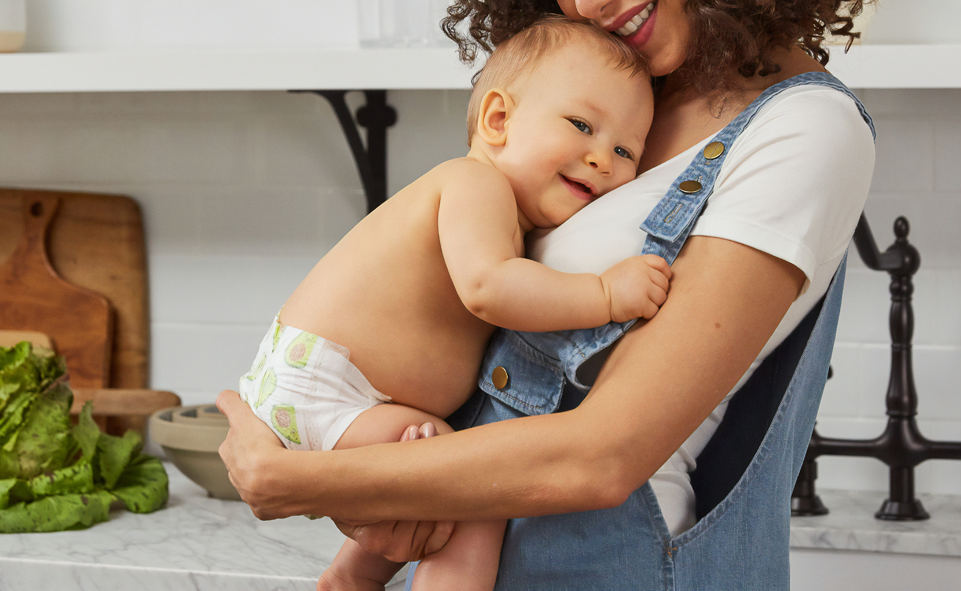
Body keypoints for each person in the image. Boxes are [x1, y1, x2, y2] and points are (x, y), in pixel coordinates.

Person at [217, 0, 876, 588]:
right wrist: (398, 488)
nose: (589, 4)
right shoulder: (608, 93)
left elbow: (606, 456)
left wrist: (302, 481)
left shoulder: (806, 129)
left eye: (621, 149)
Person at [235, 17, 664, 591]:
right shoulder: (473, 185)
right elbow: (489, 289)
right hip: (328, 384)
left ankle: (349, 580)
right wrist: (606, 294)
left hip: (331, 385)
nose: (601, 159)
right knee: (474, 496)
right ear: (499, 119)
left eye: (624, 149)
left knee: (437, 487)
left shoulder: (507, 212)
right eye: (581, 124)